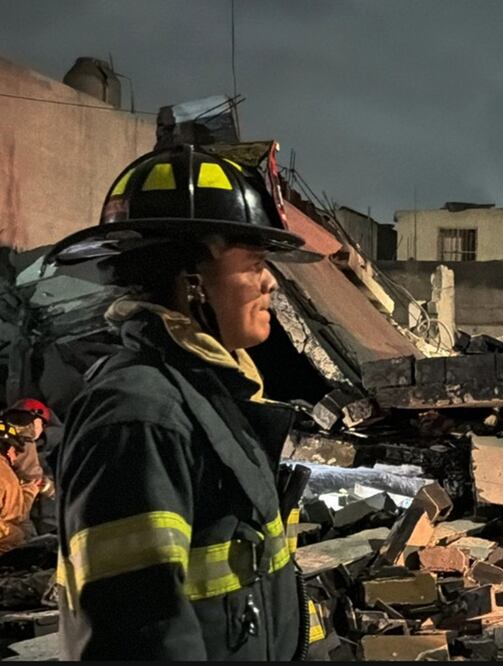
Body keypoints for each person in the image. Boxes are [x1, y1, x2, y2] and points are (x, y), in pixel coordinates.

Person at [46, 144, 321, 660]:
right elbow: (137, 632)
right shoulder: (140, 414)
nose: (270, 283)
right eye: (256, 263)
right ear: (189, 281)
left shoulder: (207, 393)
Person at [0, 418, 42, 554]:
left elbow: (15, 512)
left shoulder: (7, 473)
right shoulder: (3, 474)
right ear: (7, 447)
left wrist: (30, 490)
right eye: (14, 450)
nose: (15, 456)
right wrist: (16, 534)